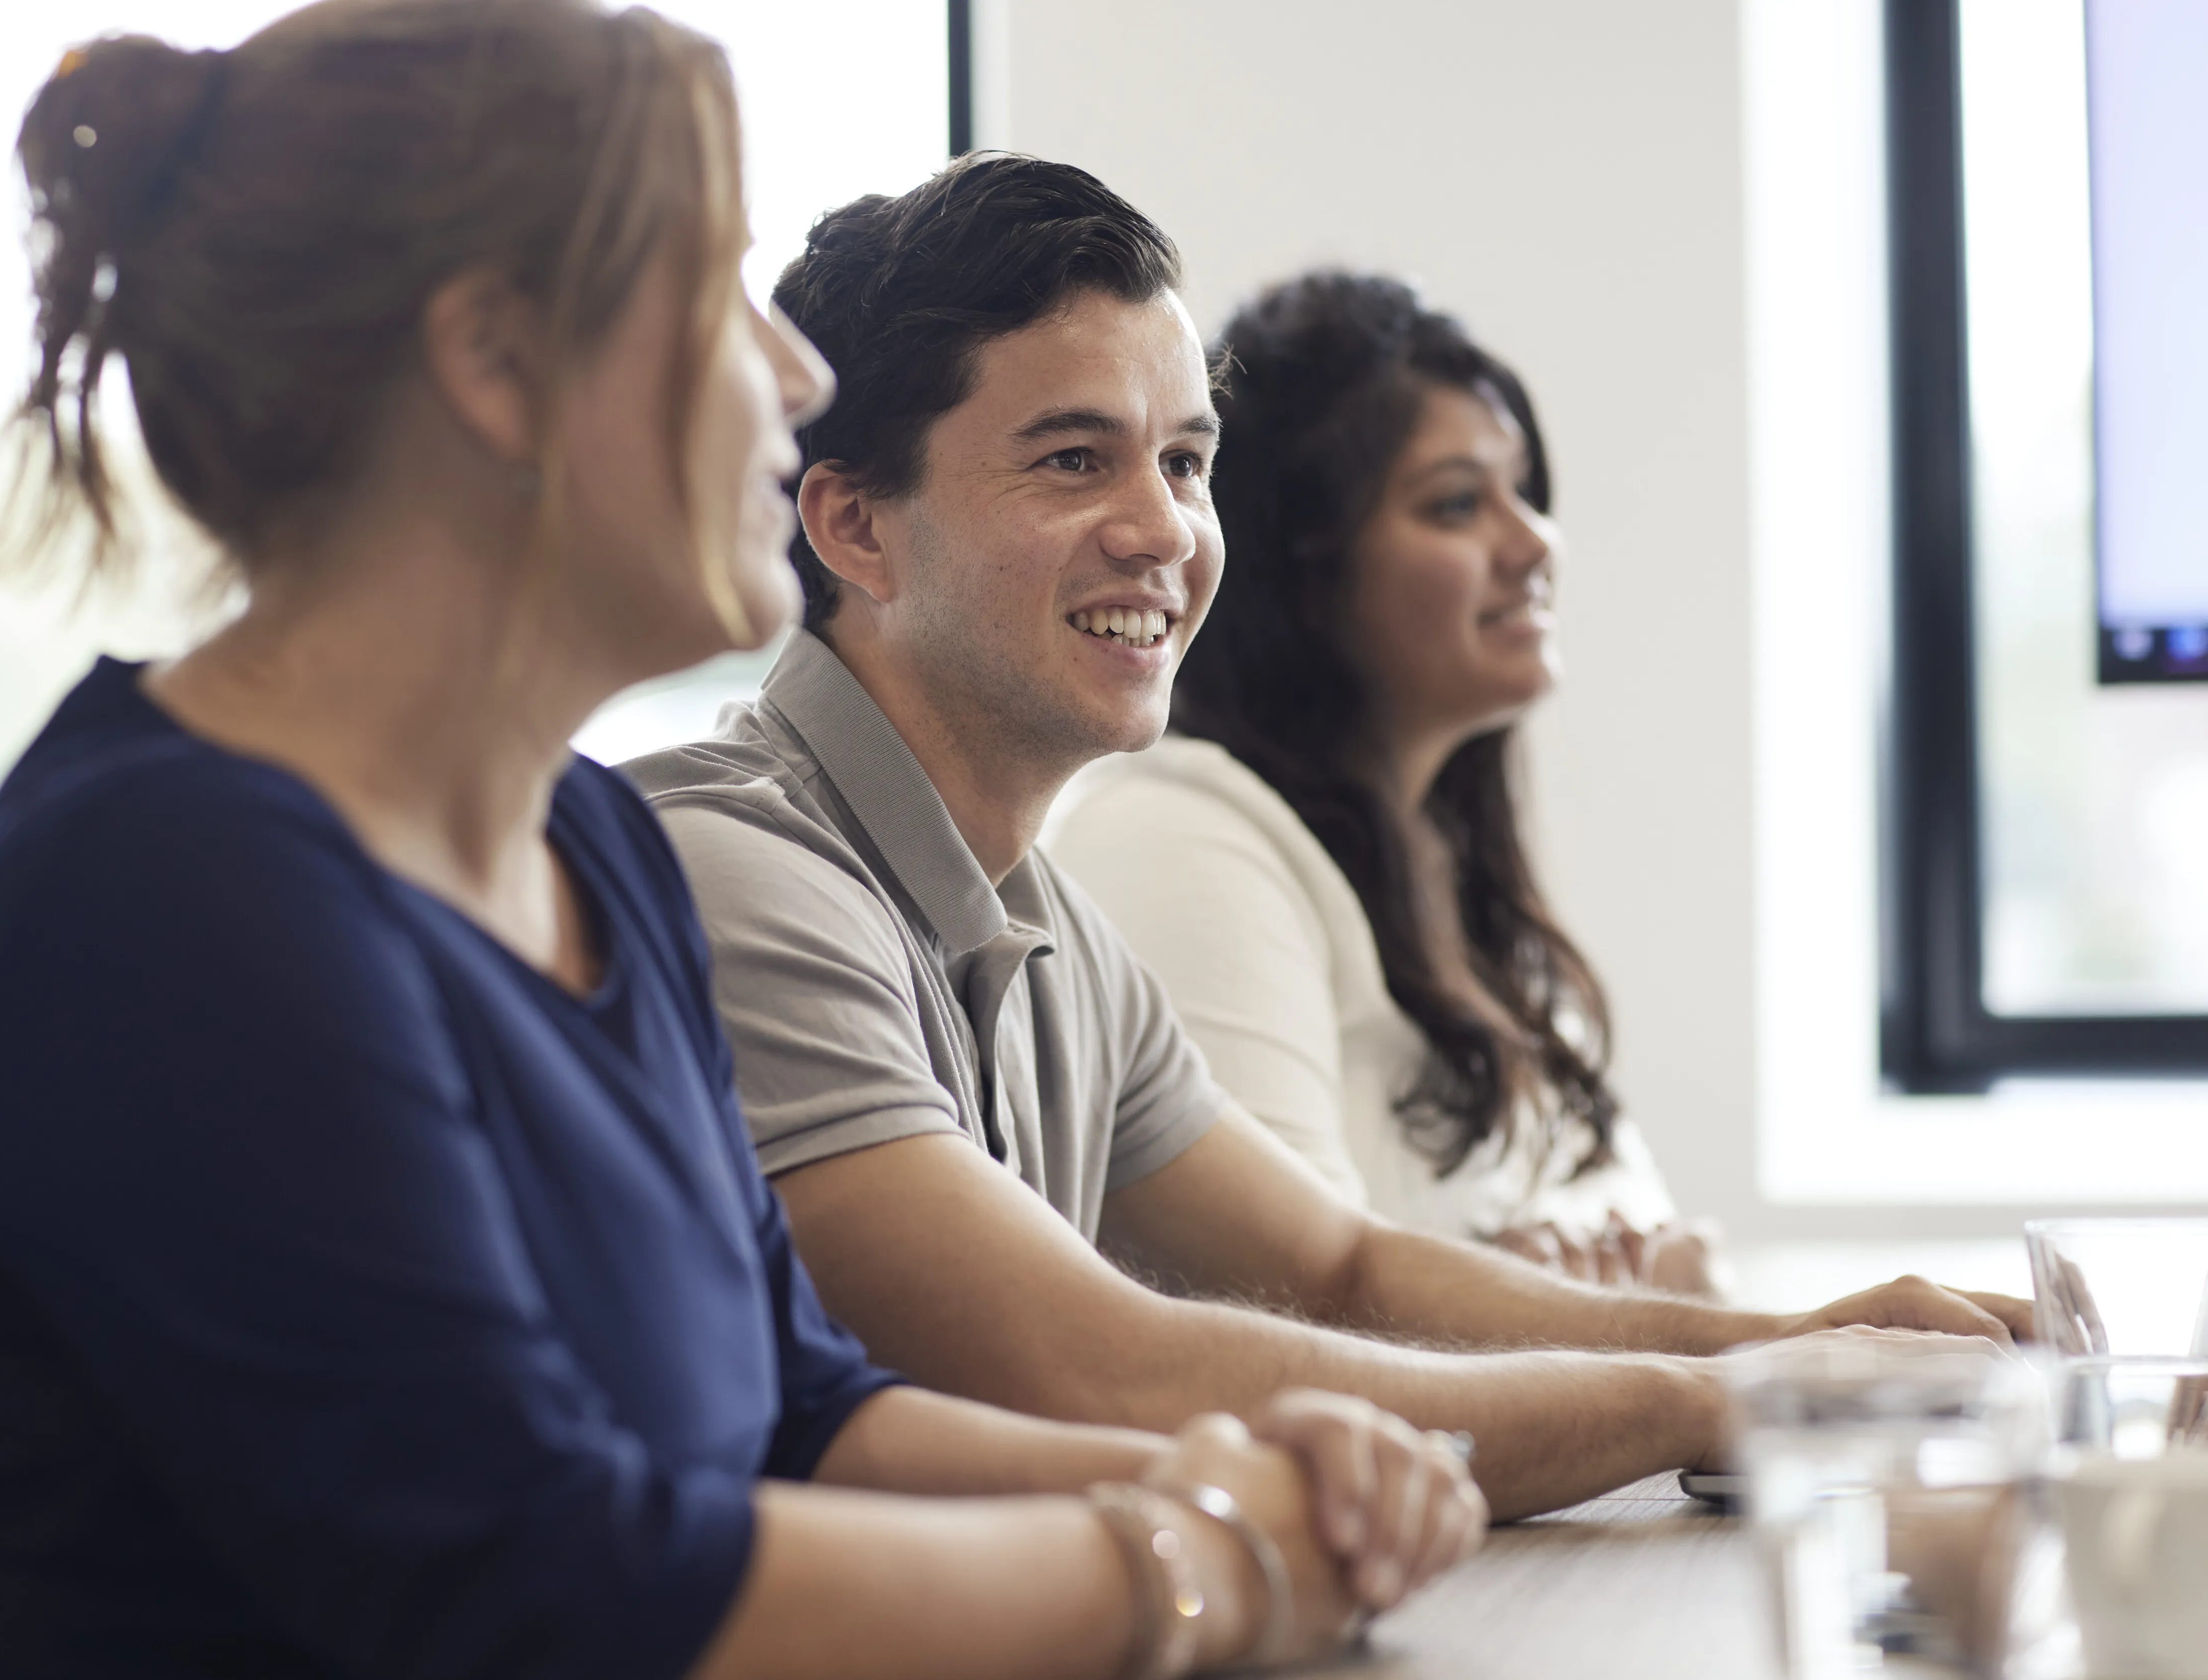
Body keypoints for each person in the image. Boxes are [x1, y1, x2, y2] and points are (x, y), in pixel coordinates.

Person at [0, 10, 1487, 1677]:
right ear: (497, 365)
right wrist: (1190, 1561)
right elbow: (547, 1586)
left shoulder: (594, 844)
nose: (798, 376)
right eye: (723, 295)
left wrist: (1230, 1474)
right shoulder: (164, 896)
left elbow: (799, 1412)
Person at [624, 152, 2031, 1523]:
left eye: (1186, 460)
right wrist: (1728, 1395)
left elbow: (1342, 1263)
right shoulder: (738, 872)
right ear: (855, 528)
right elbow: (1094, 1371)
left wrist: (1781, 1338)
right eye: (1072, 460)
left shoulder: (1039, 917)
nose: (1164, 529)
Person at [1047, 272, 1715, 1295]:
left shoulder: (1462, 873)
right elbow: (1291, 1311)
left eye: (1523, 490)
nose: (1534, 541)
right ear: (1305, 575)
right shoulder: (1177, 839)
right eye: (1456, 503)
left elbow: (1661, 1239)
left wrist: (1567, 1281)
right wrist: (1559, 1284)